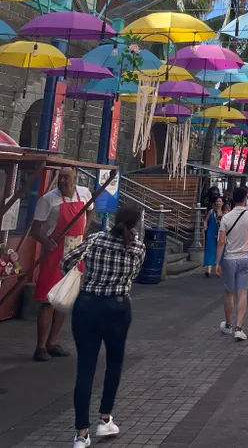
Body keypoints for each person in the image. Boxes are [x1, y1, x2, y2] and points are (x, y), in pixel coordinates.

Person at [62, 203, 146, 448]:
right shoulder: (138, 246)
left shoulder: (97, 239)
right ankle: (105, 418)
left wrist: (83, 275)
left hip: (86, 306)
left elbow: (67, 261)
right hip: (117, 308)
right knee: (114, 363)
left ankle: (81, 433)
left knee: (85, 369)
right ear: (136, 223)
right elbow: (135, 274)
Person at [30, 166, 92, 362]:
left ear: (75, 177)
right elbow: (35, 230)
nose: (63, 181)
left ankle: (53, 342)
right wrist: (46, 241)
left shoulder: (84, 193)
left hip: (75, 253)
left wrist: (85, 230)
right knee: (48, 301)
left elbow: (91, 210)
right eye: (60, 177)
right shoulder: (48, 200)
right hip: (54, 255)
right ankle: (40, 347)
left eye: (67, 177)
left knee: (64, 301)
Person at [215, 186, 248, 341]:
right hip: (246, 258)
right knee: (243, 293)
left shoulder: (226, 218)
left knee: (229, 293)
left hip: (229, 258)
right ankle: (239, 328)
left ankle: (228, 325)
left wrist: (217, 262)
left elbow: (221, 242)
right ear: (245, 199)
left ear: (233, 199)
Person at [203, 197, 224, 277]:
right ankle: (208, 270)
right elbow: (206, 220)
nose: (218, 202)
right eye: (217, 201)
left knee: (219, 250)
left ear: (222, 203)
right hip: (211, 232)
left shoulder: (224, 213)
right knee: (210, 250)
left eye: (220, 201)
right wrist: (205, 227)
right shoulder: (211, 212)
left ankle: (217, 269)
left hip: (220, 233)